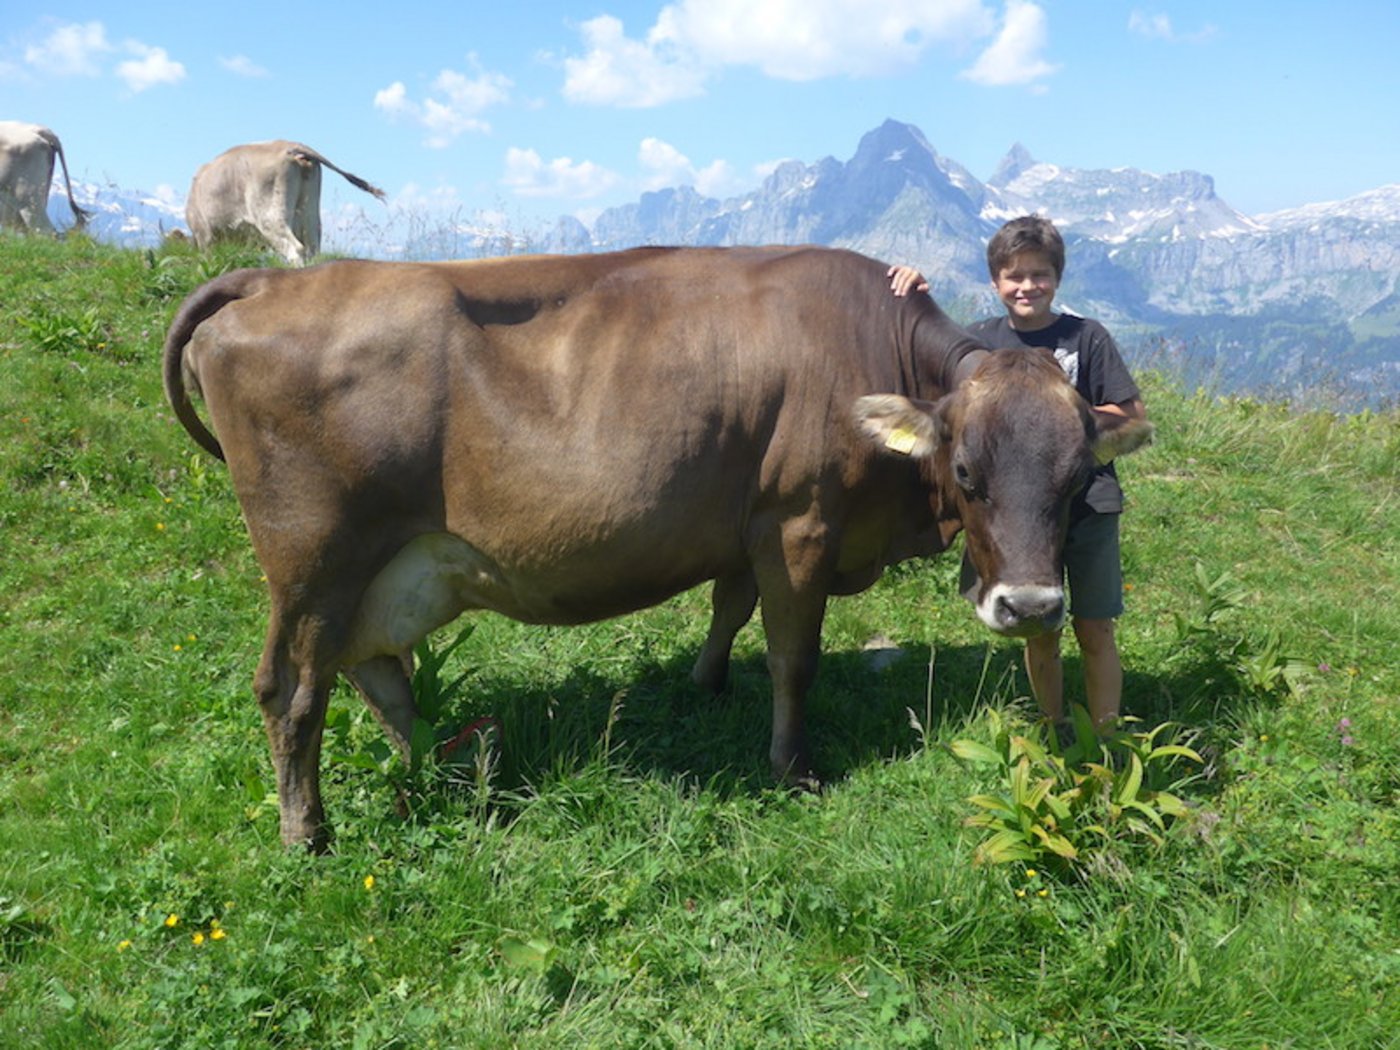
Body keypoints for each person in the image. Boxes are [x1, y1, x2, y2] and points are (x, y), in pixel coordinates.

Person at [888, 216, 1147, 740]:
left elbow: (1131, 416)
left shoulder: (1086, 338)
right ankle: (1052, 727)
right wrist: (914, 293)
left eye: (1040, 274)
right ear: (995, 282)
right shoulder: (979, 341)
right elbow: (938, 380)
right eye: (1014, 276)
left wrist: (1065, 415)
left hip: (1086, 502)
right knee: (1039, 631)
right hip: (1010, 514)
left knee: (1095, 627)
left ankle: (1107, 740)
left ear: (1057, 278)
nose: (1028, 286)